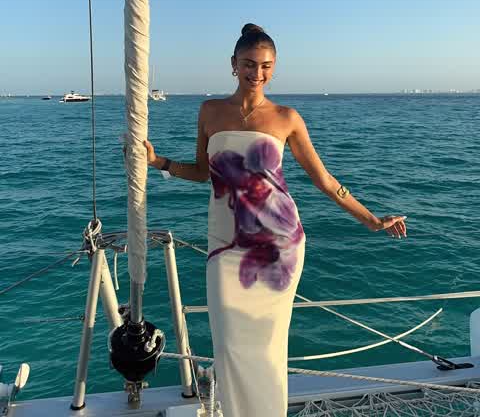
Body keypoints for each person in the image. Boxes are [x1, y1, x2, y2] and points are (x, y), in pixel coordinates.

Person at [144, 23, 407, 417]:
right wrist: (158, 162)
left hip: (279, 246)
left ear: (274, 68)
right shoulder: (210, 111)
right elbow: (203, 172)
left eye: (266, 66)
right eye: (249, 64)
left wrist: (371, 220)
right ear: (233, 64)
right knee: (229, 348)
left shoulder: (287, 118)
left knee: (268, 350)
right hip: (226, 247)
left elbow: (324, 179)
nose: (257, 73)